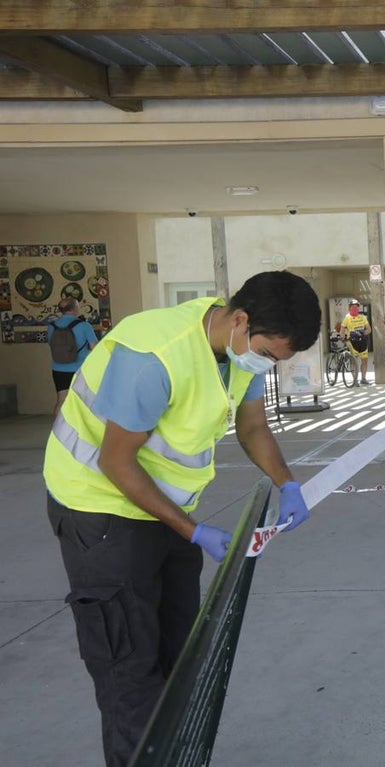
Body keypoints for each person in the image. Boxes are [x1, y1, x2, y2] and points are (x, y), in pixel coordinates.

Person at [43, 271, 321, 767]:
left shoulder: (238, 351)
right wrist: (193, 531)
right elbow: (116, 462)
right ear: (241, 320)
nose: (270, 365)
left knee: (180, 655)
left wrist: (287, 482)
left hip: (163, 513)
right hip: (98, 511)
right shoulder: (154, 356)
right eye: (271, 355)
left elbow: (252, 425)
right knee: (130, 671)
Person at [46, 297, 100, 418]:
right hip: (80, 369)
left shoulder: (51, 326)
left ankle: (58, 431)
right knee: (85, 400)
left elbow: (51, 344)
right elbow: (95, 347)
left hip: (58, 369)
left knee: (61, 399)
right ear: (75, 308)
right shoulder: (84, 325)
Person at [338, 298, 371, 386]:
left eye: (356, 307)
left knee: (365, 361)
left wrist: (363, 333)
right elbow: (342, 331)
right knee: (354, 361)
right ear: (349, 308)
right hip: (352, 342)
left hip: (362, 342)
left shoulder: (363, 317)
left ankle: (363, 379)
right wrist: (344, 339)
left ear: (359, 308)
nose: (354, 308)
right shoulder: (347, 318)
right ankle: (355, 380)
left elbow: (369, 329)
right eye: (352, 307)